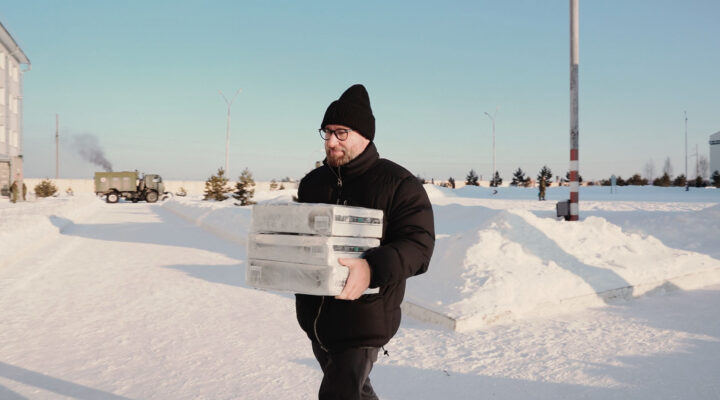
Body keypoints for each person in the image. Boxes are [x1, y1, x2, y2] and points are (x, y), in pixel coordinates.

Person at [296, 84, 435, 399]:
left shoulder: (400, 184)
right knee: (358, 391)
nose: (331, 141)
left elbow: (419, 246)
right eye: (327, 132)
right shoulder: (313, 183)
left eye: (341, 132)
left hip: (364, 318)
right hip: (316, 317)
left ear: (364, 135)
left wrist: (370, 268)